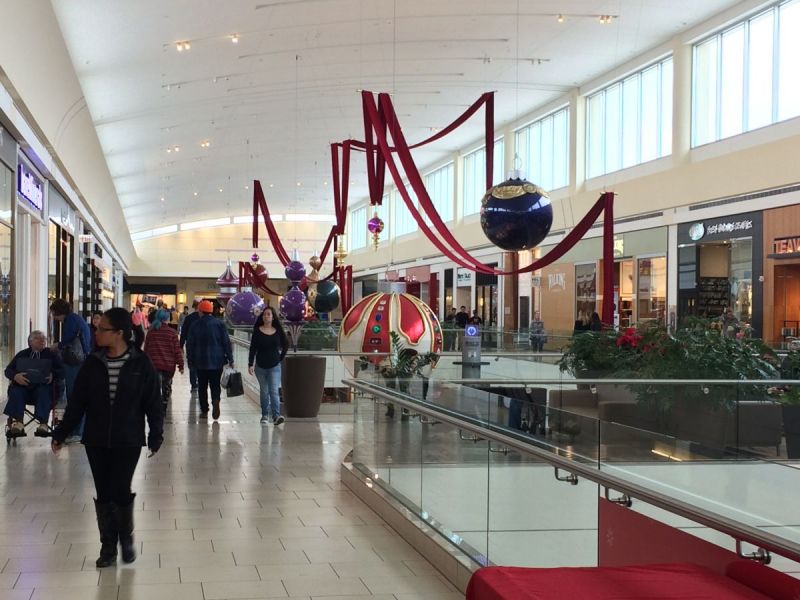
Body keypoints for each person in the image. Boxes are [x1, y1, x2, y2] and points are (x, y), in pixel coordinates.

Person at [51, 308, 163, 568]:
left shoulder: (140, 362)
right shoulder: (92, 363)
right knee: (103, 492)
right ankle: (108, 547)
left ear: (119, 333)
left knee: (121, 489)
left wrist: (156, 434)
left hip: (129, 438)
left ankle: (126, 538)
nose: (97, 333)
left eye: (102, 329)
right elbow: (78, 402)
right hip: (97, 438)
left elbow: (153, 403)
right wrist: (61, 433)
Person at [4, 330, 63, 437]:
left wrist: (53, 374)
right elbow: (8, 370)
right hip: (24, 388)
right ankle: (19, 423)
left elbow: (62, 370)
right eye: (38, 338)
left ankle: (43, 424)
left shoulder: (51, 354)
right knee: (16, 391)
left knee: (43, 391)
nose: (42, 340)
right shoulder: (22, 354)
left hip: (42, 388)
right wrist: (15, 376)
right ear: (30, 342)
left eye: (44, 338)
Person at [50, 298, 92, 442]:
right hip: (81, 360)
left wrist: (57, 345)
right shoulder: (77, 319)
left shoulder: (70, 320)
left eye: (54, 313)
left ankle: (76, 431)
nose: (54, 317)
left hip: (74, 361)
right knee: (77, 394)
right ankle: (78, 430)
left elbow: (68, 339)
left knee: (75, 395)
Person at [186, 300, 233, 420]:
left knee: (202, 386)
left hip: (200, 361)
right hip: (217, 361)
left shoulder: (195, 325)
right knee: (215, 385)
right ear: (211, 311)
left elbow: (190, 344)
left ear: (200, 311)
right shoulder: (220, 324)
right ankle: (216, 401)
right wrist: (230, 358)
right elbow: (226, 342)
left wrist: (189, 359)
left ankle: (204, 409)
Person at [248, 307, 288, 425]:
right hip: (260, 367)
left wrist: (280, 358)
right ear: (262, 317)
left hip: (275, 367)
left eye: (269, 314)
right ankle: (265, 415)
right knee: (264, 391)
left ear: (273, 317)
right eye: (264, 314)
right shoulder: (257, 331)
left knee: (274, 391)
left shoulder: (278, 331)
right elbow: (252, 348)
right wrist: (250, 364)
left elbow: (286, 345)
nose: (266, 316)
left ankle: (276, 416)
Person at [144, 309, 184, 413]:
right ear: (167, 319)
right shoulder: (172, 333)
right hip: (168, 366)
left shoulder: (151, 332)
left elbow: (146, 349)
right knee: (166, 385)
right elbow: (177, 351)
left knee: (155, 388)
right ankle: (165, 404)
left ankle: (156, 406)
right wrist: (181, 365)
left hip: (154, 365)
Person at [179, 301, 201, 393]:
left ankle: (193, 385)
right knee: (200, 364)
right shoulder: (204, 318)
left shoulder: (189, 318)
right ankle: (200, 382)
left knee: (192, 364)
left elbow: (183, 332)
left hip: (190, 345)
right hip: (202, 346)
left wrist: (181, 345)